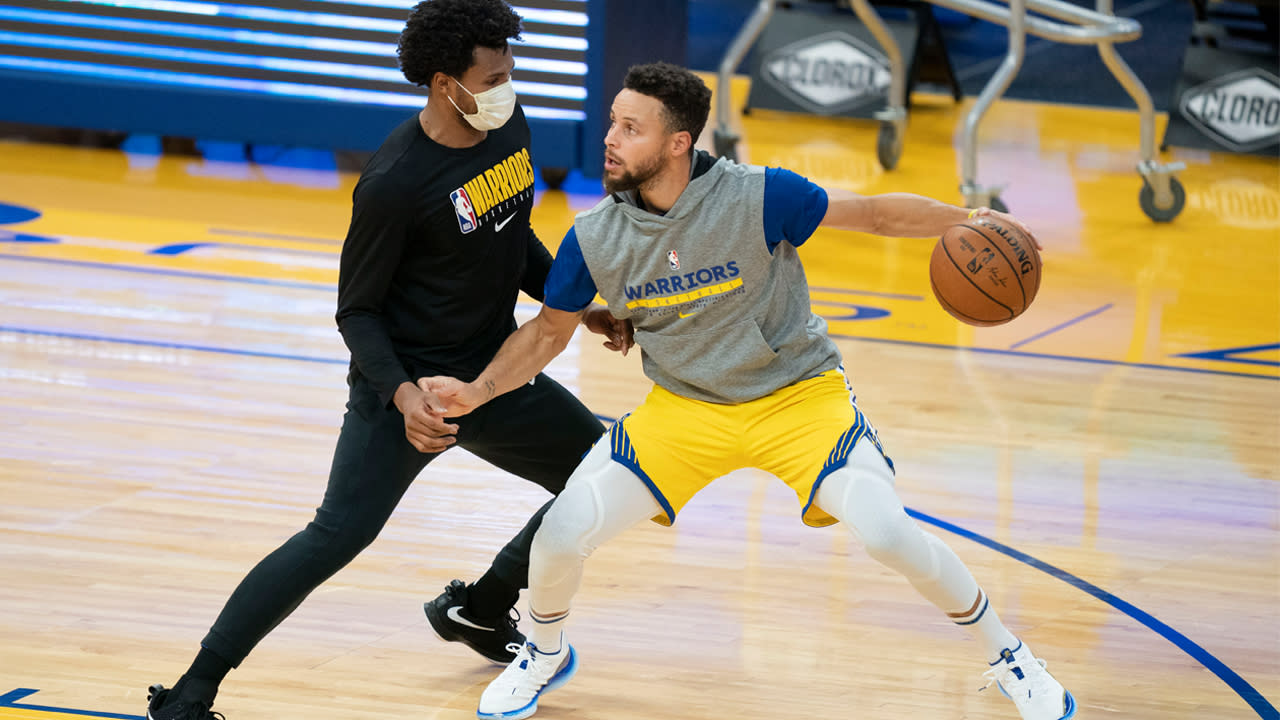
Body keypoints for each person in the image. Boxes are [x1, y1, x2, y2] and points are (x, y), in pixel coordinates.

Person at [422, 63, 1077, 720]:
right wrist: (476, 393)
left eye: (630, 127)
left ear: (678, 142)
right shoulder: (595, 237)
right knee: (562, 533)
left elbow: (875, 215)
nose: (610, 139)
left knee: (885, 534)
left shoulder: (760, 197)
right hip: (683, 411)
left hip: (798, 399)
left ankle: (1011, 656)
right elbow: (545, 336)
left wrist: (972, 219)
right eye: (612, 122)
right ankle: (542, 650)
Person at [143, 2, 633, 718]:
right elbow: (357, 312)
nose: (509, 85)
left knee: (604, 476)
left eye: (510, 70)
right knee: (333, 539)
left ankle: (484, 606)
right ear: (445, 84)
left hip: (492, 376)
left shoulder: (508, 128)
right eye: (493, 75)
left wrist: (572, 307)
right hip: (408, 398)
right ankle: (190, 693)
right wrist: (404, 396)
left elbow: (510, 235)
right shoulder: (395, 183)